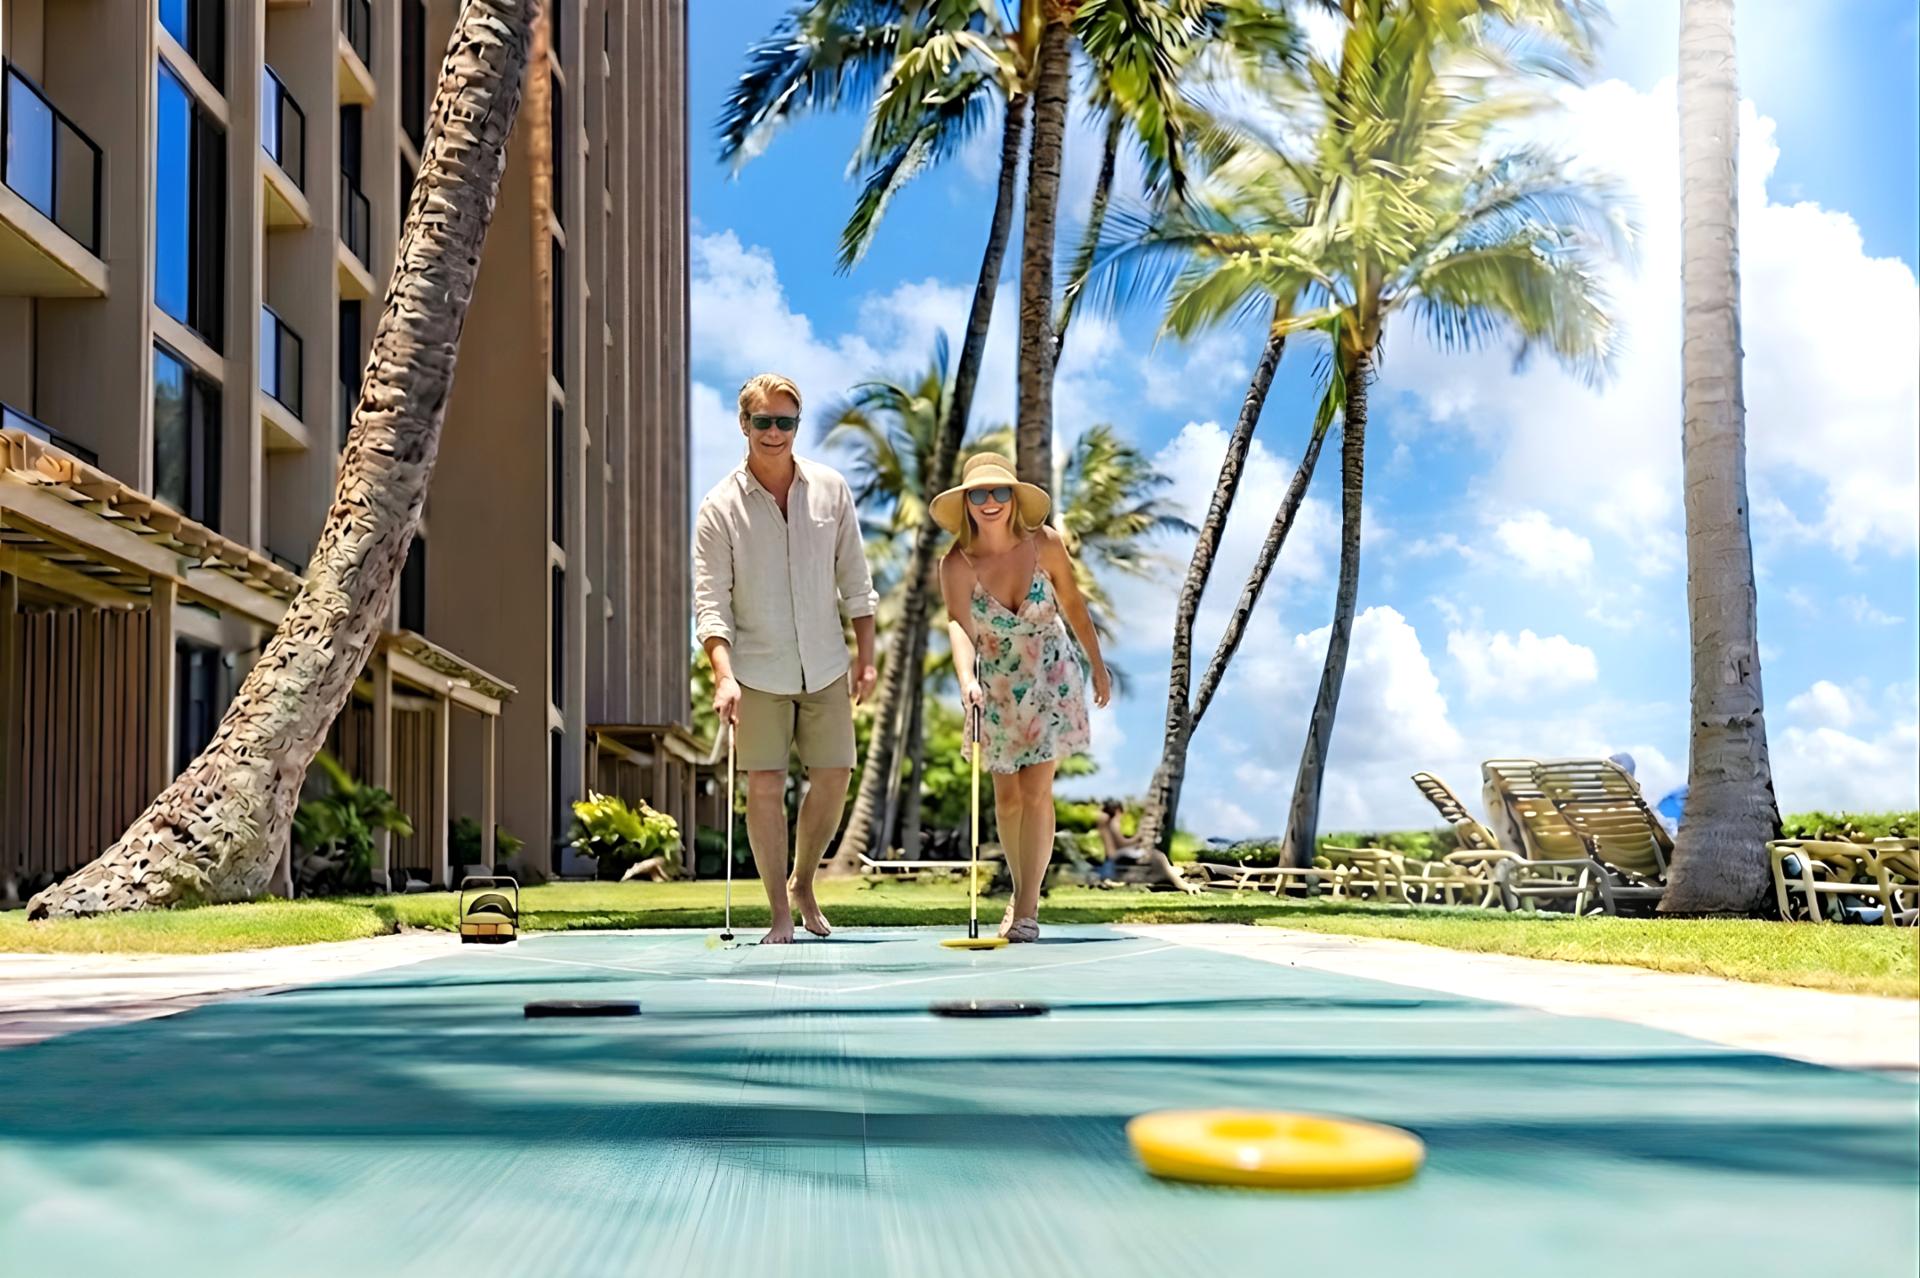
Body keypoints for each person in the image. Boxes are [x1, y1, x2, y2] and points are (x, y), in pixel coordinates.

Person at [694, 373, 878, 944]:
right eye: (763, 421)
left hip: (825, 662)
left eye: (785, 422)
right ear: (743, 424)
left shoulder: (831, 489)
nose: (774, 433)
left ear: (797, 426)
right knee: (766, 786)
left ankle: (804, 883)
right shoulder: (719, 507)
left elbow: (856, 582)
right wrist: (724, 677)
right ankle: (779, 912)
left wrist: (867, 659)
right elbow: (710, 602)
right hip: (756, 672)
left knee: (834, 777)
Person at [935, 452, 1111, 942]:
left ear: (1014, 498)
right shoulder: (955, 564)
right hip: (996, 685)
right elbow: (958, 624)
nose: (990, 502)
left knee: (1036, 792)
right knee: (1007, 800)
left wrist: (1097, 665)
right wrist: (966, 678)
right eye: (978, 494)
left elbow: (1073, 603)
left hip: (1050, 673)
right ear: (966, 503)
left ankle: (1028, 907)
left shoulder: (1045, 544)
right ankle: (1019, 888)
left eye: (1000, 492)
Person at [1094, 798, 1200, 893]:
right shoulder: (1113, 823)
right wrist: (1138, 837)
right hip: (1116, 857)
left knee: (1157, 856)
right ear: (1117, 811)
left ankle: (1170, 872)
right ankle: (1180, 883)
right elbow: (1122, 844)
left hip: (1113, 857)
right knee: (1157, 856)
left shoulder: (1105, 822)